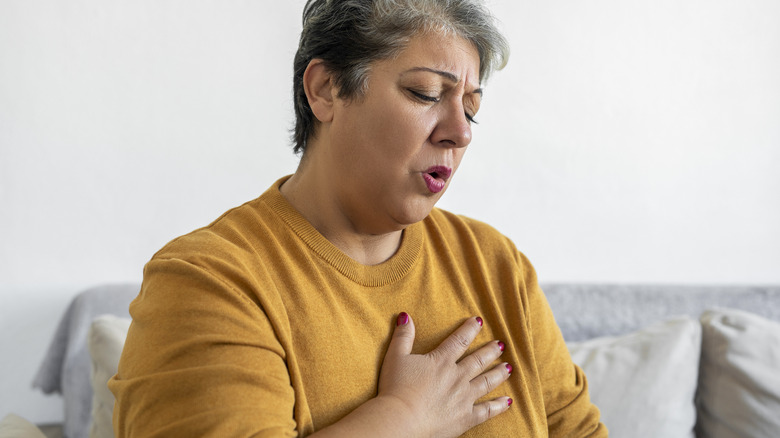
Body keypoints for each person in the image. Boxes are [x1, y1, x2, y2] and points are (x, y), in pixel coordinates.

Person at [109, 0, 607, 436]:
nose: (460, 132)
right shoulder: (209, 281)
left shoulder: (496, 265)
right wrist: (404, 417)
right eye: (427, 93)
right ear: (326, 90)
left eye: (471, 108)